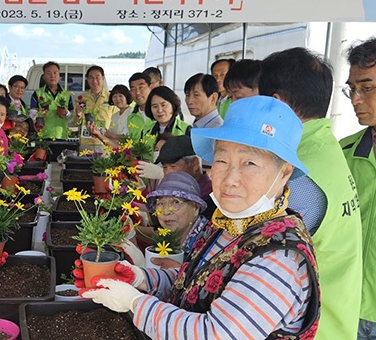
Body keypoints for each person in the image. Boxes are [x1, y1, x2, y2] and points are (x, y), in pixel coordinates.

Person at [82, 96, 320, 340]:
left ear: (285, 173)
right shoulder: (228, 221)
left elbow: (215, 334)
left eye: (249, 163)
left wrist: (135, 303)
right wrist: (142, 278)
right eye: (221, 161)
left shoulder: (279, 259)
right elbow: (197, 282)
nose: (230, 179)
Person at [259, 47, 362, 340]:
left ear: (276, 103)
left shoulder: (300, 173)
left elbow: (260, 251)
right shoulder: (324, 150)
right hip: (335, 319)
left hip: (310, 328)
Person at [340, 37, 376, 340]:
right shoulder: (342, 153)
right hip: (342, 309)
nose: (355, 99)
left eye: (366, 87)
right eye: (352, 89)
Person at [145, 172, 207, 258]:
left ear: (196, 208)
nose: (166, 212)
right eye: (161, 203)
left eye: (176, 202)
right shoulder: (166, 238)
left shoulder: (207, 241)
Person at [29, 61, 73, 139]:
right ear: (44, 76)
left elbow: (72, 118)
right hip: (43, 137)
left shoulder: (67, 95)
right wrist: (40, 114)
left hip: (61, 136)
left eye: (55, 73)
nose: (52, 76)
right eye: (48, 73)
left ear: (59, 75)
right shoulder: (37, 94)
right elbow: (31, 116)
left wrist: (66, 113)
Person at [142, 86, 189, 156]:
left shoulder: (186, 129)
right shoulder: (146, 131)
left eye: (163, 105)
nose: (159, 110)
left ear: (173, 105)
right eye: (155, 106)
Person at [126, 72, 154, 142]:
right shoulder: (131, 118)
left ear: (150, 87)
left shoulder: (160, 113)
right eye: (133, 89)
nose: (137, 92)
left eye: (141, 87)